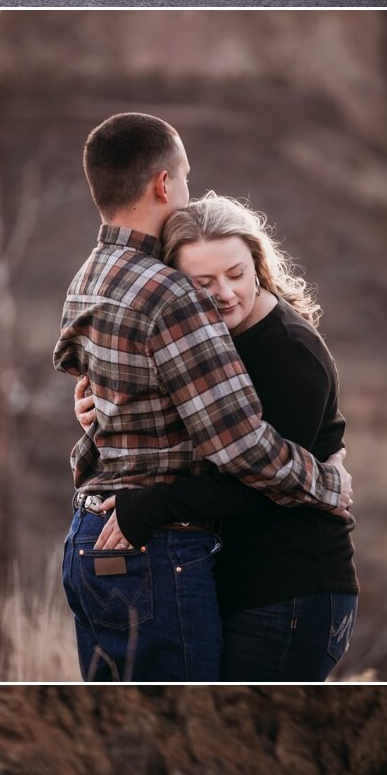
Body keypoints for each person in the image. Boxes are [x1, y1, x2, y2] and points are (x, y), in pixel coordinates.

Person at [54, 110, 352, 686]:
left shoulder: (90, 275)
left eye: (235, 274)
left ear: (258, 263)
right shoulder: (169, 294)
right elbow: (242, 448)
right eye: (205, 283)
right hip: (155, 549)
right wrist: (327, 482)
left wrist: (107, 409)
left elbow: (76, 360)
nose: (221, 295)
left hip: (254, 573)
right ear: (165, 183)